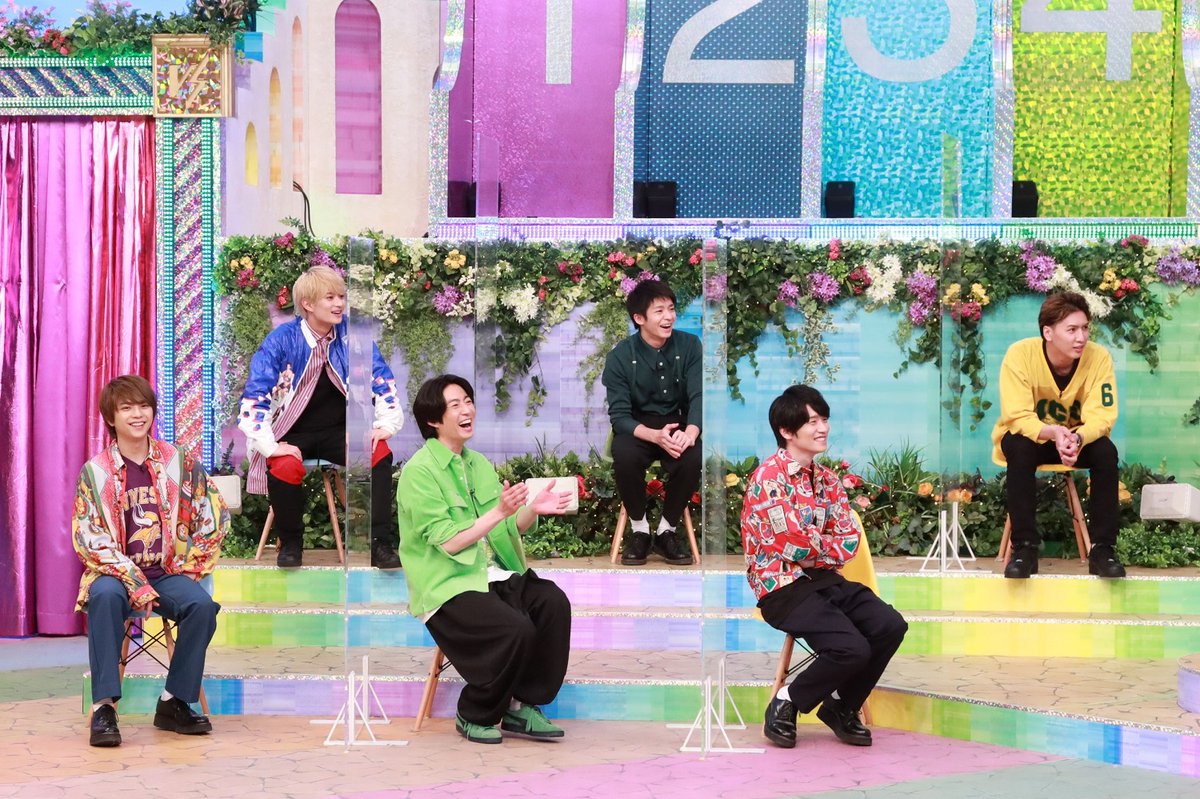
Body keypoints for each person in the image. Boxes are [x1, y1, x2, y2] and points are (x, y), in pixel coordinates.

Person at [398, 374, 573, 744]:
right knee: (516, 629)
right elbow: (449, 543)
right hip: (448, 586)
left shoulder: (477, 463)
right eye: (456, 405)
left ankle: (520, 705)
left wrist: (531, 509)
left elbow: (504, 529)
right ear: (433, 420)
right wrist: (499, 511)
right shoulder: (419, 472)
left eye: (468, 401)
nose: (467, 410)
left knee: (552, 602)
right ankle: (475, 711)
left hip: (491, 576)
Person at [741, 385, 907, 749]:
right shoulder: (769, 479)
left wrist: (816, 547)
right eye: (813, 421)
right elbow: (792, 545)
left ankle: (840, 705)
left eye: (824, 419)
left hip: (825, 580)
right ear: (787, 430)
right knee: (852, 648)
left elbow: (848, 541)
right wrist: (820, 545)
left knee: (890, 625)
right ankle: (786, 701)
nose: (823, 428)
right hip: (781, 587)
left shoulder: (828, 480)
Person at [72, 375, 229, 747]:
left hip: (166, 571)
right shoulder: (95, 472)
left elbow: (214, 516)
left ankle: (173, 701)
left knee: (201, 606)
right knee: (104, 597)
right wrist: (133, 580)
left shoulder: (179, 462)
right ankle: (104, 708)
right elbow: (89, 537)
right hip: (116, 574)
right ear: (111, 418)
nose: (137, 414)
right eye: (126, 408)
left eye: (143, 406)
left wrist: (192, 568)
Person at [239, 265, 404, 568]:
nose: (339, 304)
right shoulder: (281, 340)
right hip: (290, 432)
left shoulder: (353, 336)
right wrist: (270, 445)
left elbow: (382, 380)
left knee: (378, 451)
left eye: (341, 296)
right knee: (284, 464)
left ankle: (379, 543)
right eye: (330, 297)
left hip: (340, 432)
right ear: (308, 304)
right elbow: (255, 396)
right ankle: (291, 543)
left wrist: (386, 424)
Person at [993, 291, 1125, 579]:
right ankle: (1025, 549)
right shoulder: (1020, 355)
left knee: (1105, 451)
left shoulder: (1099, 358)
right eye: (1072, 330)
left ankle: (1103, 550)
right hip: (1035, 438)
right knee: (1019, 447)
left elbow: (1103, 416)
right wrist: (1052, 432)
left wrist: (1078, 438)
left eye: (1085, 328)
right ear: (1048, 333)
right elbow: (1017, 415)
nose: (1081, 337)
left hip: (1076, 441)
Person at [601, 280, 701, 566]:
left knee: (692, 457)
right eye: (659, 311)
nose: (669, 317)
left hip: (678, 423)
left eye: (671, 309)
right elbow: (620, 417)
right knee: (625, 454)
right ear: (639, 318)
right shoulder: (620, 356)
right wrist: (654, 436)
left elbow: (699, 395)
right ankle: (640, 530)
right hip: (639, 427)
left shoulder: (690, 345)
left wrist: (691, 431)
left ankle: (666, 531)